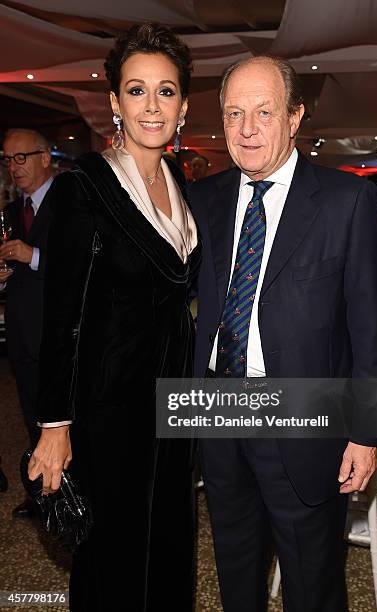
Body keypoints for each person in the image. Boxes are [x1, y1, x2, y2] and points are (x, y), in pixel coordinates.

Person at [190, 56, 377, 612]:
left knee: (312, 579)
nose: (248, 128)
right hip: (216, 409)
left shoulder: (343, 201)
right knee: (234, 568)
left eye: (264, 111)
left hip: (305, 416)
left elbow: (371, 329)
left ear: (295, 116)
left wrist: (369, 432)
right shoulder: (202, 201)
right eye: (234, 113)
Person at [27, 24, 200, 611]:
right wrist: (55, 425)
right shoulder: (86, 188)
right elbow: (62, 315)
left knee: (170, 543)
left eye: (166, 91)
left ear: (183, 105)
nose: (152, 106)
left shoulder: (178, 182)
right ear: (114, 103)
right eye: (136, 90)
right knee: (114, 556)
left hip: (173, 406)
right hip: (110, 410)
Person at [0, 129, 53, 518]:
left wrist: (32, 254)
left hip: (57, 334)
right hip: (22, 334)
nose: (14, 167)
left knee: (64, 418)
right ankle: (41, 492)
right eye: (8, 160)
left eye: (22, 158)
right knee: (32, 414)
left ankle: (72, 490)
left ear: (45, 158)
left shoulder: (71, 204)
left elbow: (84, 266)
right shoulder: (13, 211)